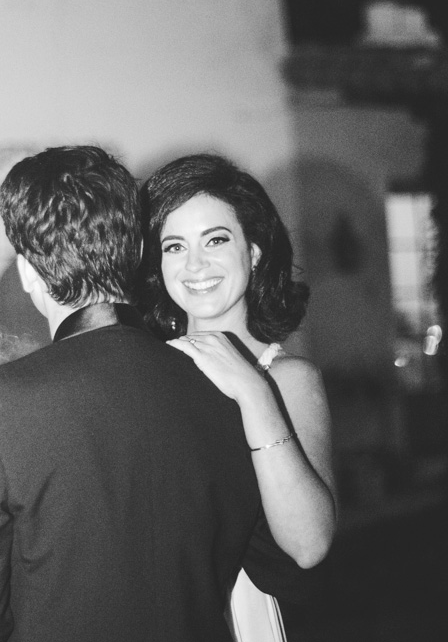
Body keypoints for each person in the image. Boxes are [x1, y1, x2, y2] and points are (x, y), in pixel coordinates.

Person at [0, 145, 307, 642]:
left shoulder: (9, 401)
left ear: (29, 272)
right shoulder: (227, 386)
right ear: (138, 252)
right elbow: (279, 567)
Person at [139, 153, 338, 642]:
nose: (195, 265)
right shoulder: (143, 371)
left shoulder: (288, 379)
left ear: (252, 251)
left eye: (216, 239)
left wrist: (252, 391)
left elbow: (309, 546)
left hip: (252, 617)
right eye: (174, 246)